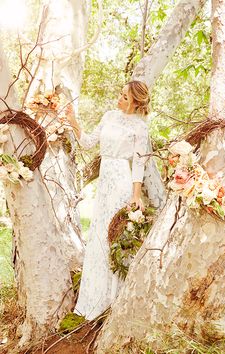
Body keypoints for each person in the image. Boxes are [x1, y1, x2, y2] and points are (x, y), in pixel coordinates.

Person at [67, 80, 164, 320]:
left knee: (115, 236)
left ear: (136, 103)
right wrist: (72, 121)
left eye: (124, 97)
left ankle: (116, 300)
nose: (119, 99)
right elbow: (88, 142)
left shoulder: (140, 128)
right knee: (98, 234)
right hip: (105, 182)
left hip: (122, 181)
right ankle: (94, 300)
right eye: (120, 94)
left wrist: (134, 195)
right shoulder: (109, 116)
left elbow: (139, 162)